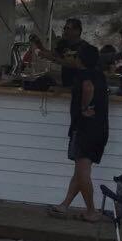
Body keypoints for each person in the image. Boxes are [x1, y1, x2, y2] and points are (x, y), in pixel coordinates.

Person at [49, 43, 108, 222]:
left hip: (85, 129)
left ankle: (91, 211)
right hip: (100, 128)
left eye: (75, 56)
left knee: (83, 173)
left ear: (80, 60)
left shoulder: (83, 75)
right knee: (79, 170)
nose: (73, 59)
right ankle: (64, 205)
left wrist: (84, 107)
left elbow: (88, 88)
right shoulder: (99, 74)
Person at [39, 18, 89, 87]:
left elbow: (73, 64)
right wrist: (39, 46)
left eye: (68, 28)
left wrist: (52, 58)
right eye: (64, 28)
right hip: (66, 83)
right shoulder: (63, 43)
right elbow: (53, 54)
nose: (65, 31)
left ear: (77, 31)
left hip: (80, 86)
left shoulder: (84, 47)